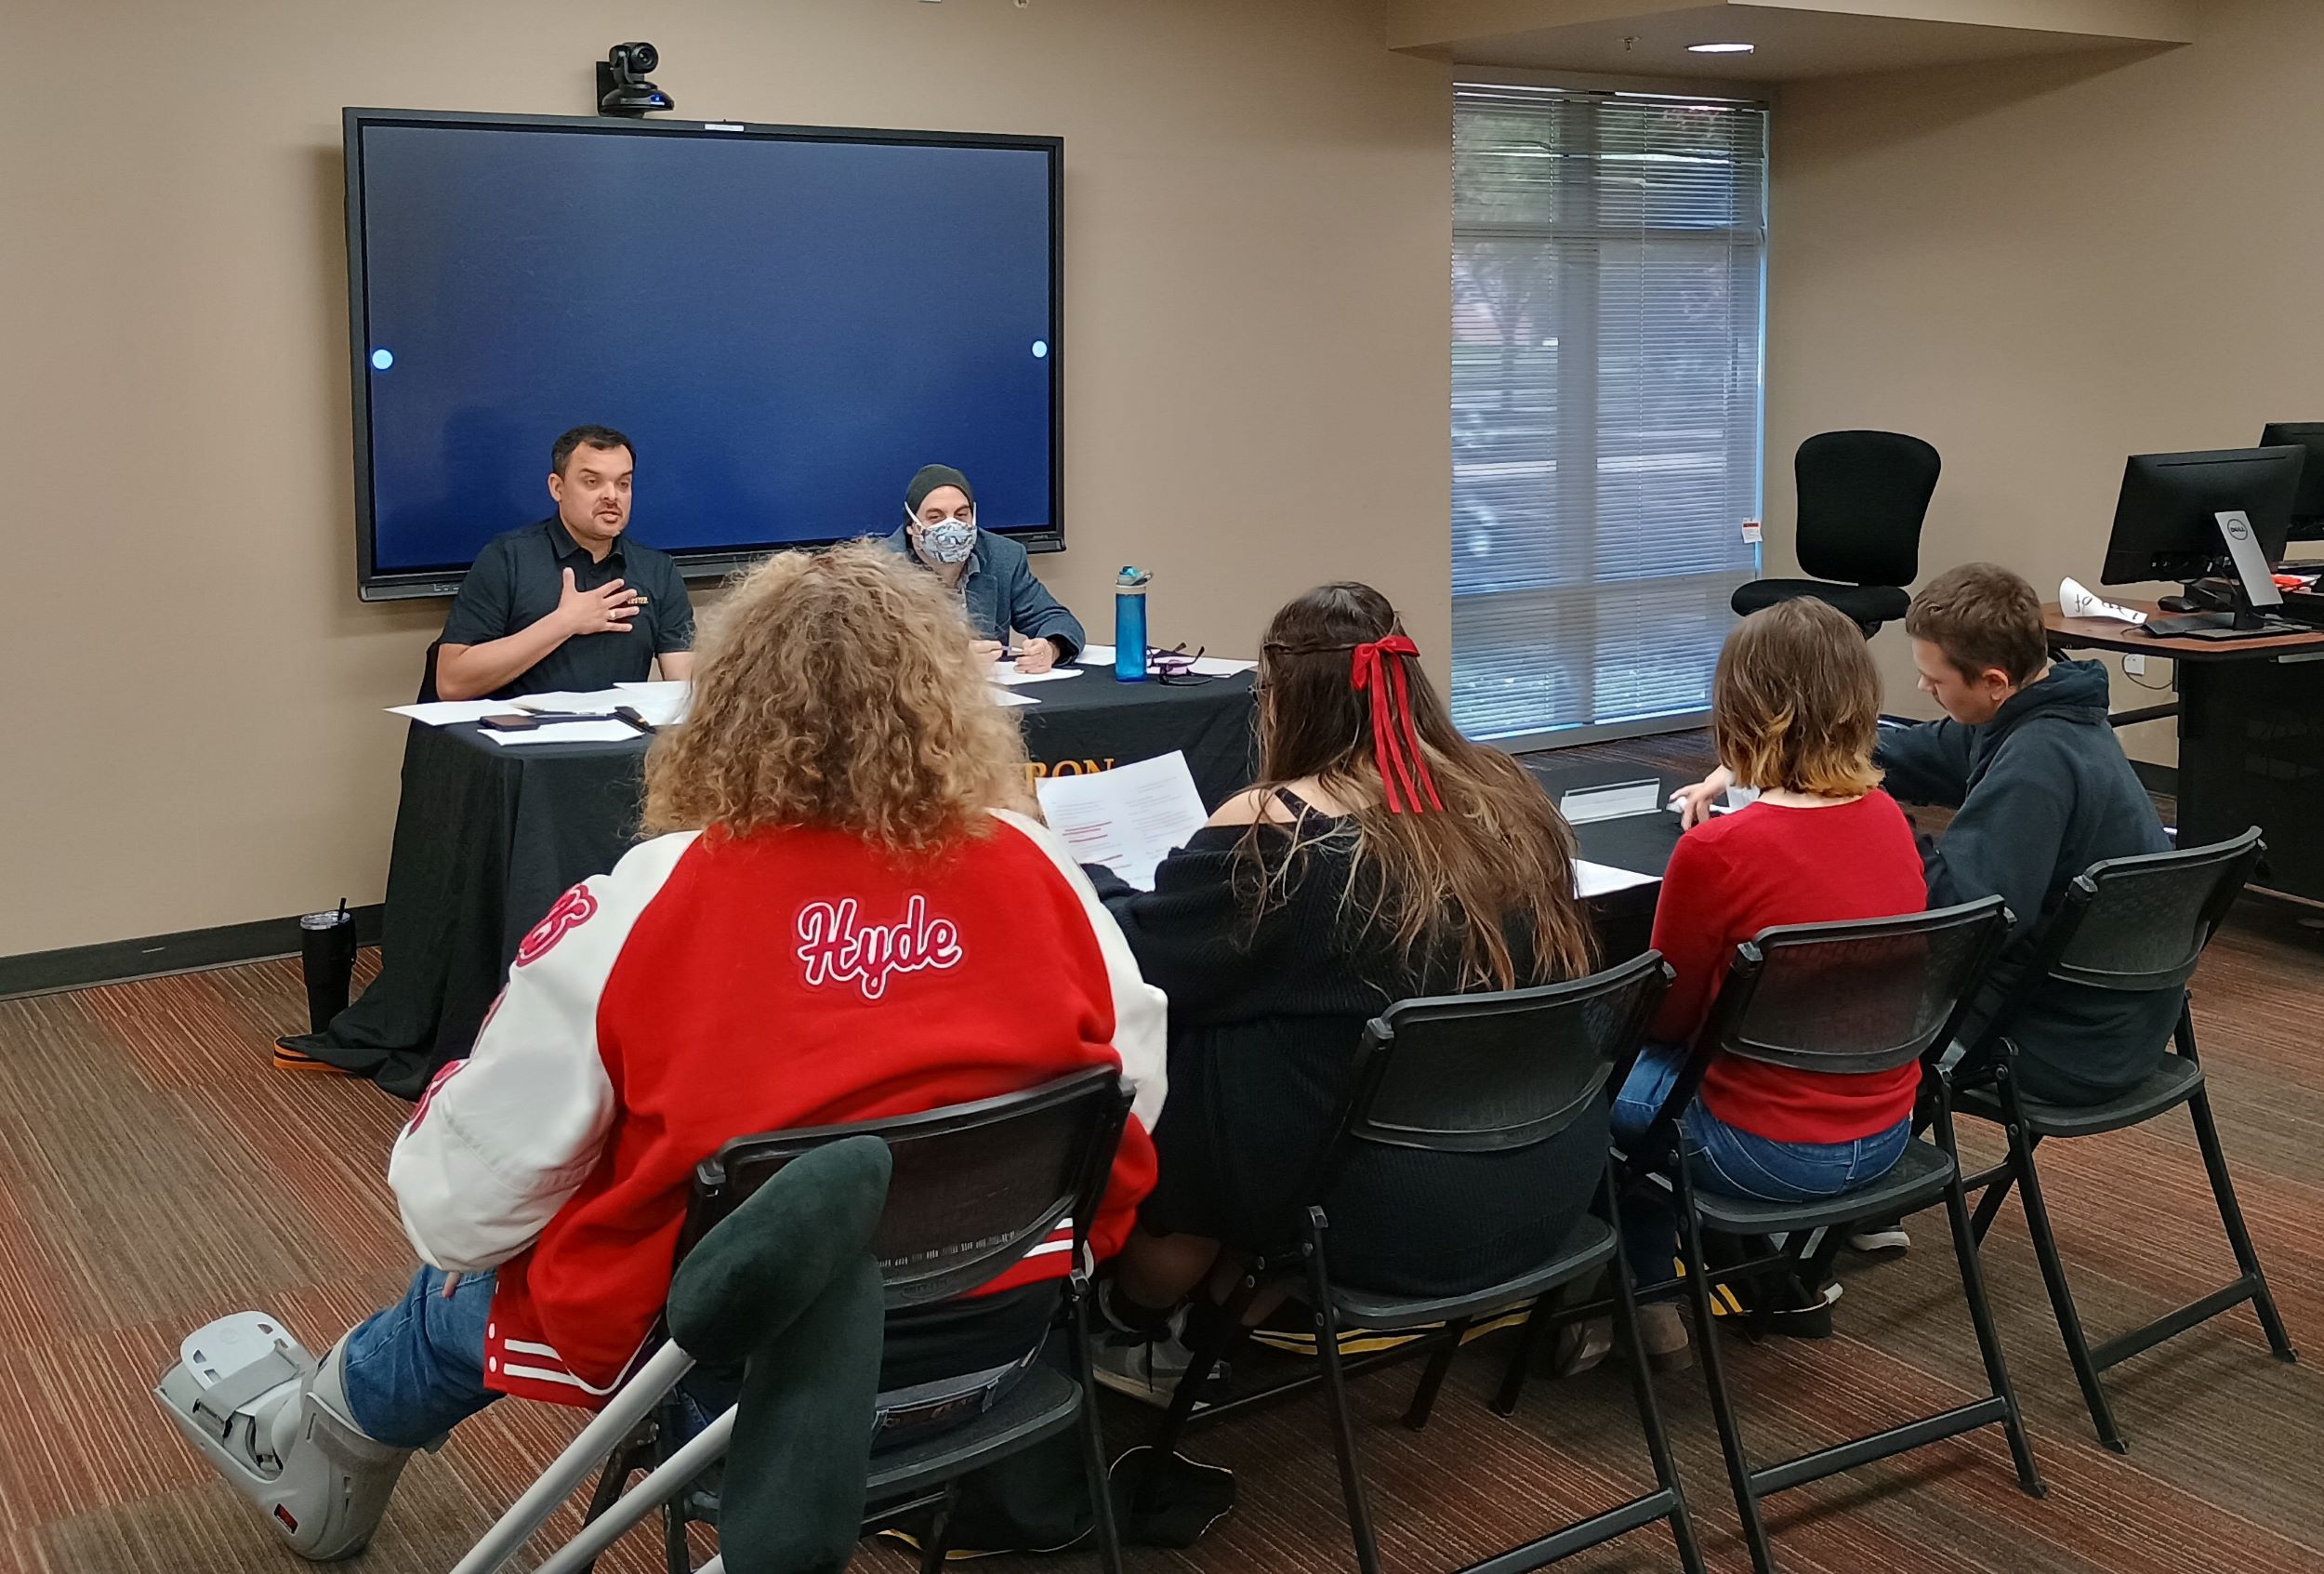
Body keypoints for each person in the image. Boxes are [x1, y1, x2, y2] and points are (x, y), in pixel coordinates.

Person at [160, 542, 1165, 1561]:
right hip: (998, 1365)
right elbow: (1129, 1095)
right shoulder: (1036, 864)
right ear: (950, 706)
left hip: (727, 1398)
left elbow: (456, 1216)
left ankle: (317, 1444)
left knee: (462, 1279)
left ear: (725, 711)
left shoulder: (650, 898)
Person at [1083, 582, 1602, 1400]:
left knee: (1196, 1039)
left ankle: (1140, 1322)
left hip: (1376, 1220)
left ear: (1283, 697)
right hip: (1548, 1187)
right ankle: (1209, 1322)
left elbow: (1140, 958)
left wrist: (1084, 872)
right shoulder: (1510, 796)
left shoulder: (1281, 833)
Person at [1673, 564, 2173, 1111]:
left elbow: (1963, 924)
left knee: (1799, 1019)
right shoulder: (2042, 719)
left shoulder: (2038, 766)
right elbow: (1906, 752)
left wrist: (1871, 822)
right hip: (2112, 1025)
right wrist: (1756, 761)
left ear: (1993, 682)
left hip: (2056, 1045)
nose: (1922, 688)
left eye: (1936, 682)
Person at [1604, 598, 1931, 1368]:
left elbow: (1670, 1021)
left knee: (1587, 1078)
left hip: (1760, 1153)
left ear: (1740, 709)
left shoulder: (1716, 849)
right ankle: (1773, 1281)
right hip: (1887, 1134)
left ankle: (1647, 1290)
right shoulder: (1891, 818)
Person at [431, 424, 697, 701]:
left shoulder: (657, 570)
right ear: (557, 488)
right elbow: (451, 682)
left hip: (622, 741)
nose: (612, 496)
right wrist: (564, 623)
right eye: (592, 482)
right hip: (525, 739)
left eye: (623, 484)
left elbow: (685, 681)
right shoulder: (509, 557)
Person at [885, 463, 1084, 674]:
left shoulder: (1003, 557)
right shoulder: (879, 569)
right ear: (912, 525)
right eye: (936, 517)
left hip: (988, 699)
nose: (952, 526)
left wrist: (1051, 648)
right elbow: (869, 659)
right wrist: (948, 661)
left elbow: (1058, 620)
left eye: (961, 515)